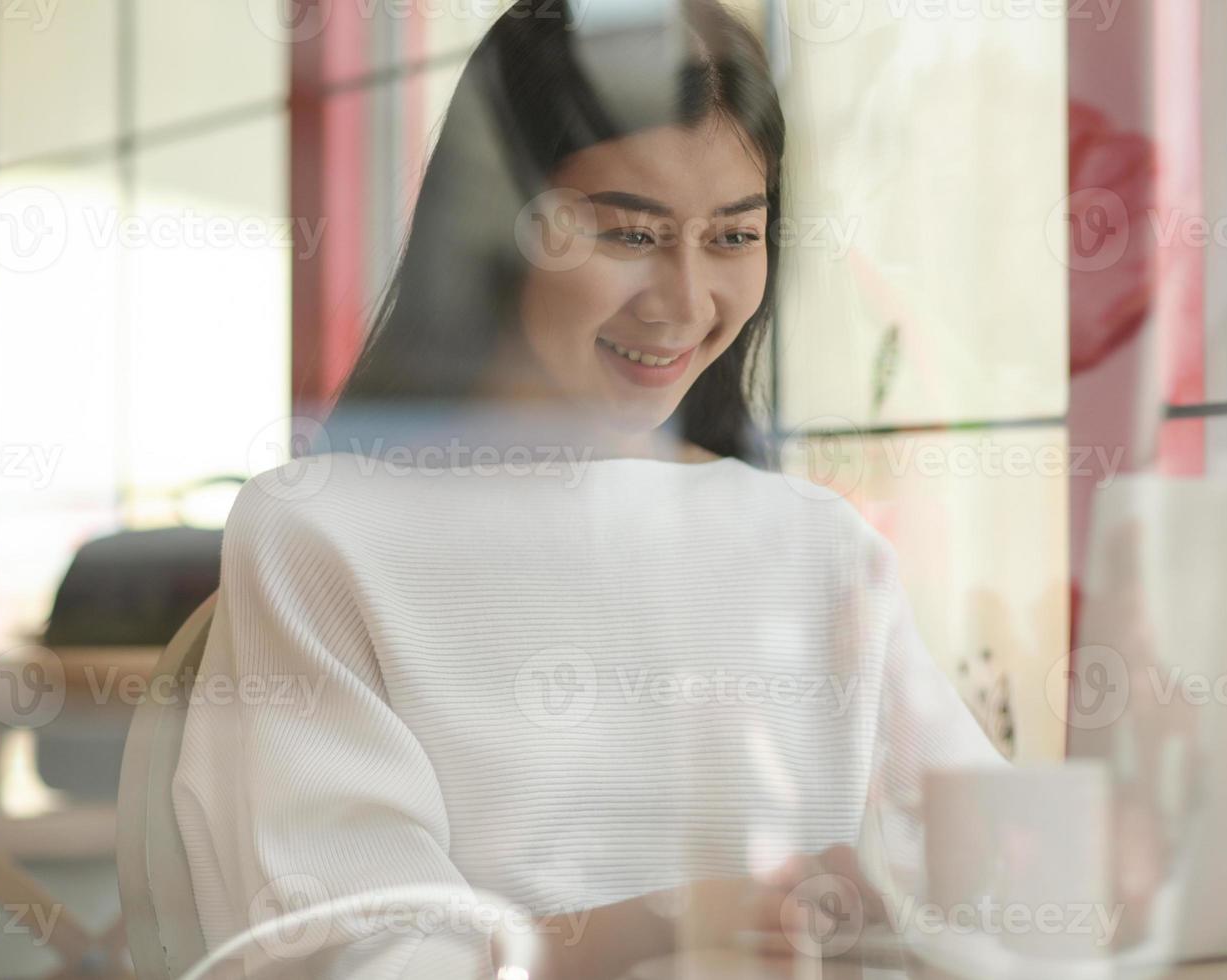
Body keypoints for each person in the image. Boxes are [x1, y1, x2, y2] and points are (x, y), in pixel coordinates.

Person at [171, 2, 1002, 976]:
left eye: (734, 237)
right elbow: (340, 951)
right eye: (628, 234)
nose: (686, 302)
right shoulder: (323, 534)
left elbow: (994, 890)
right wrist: (662, 924)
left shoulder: (814, 540)